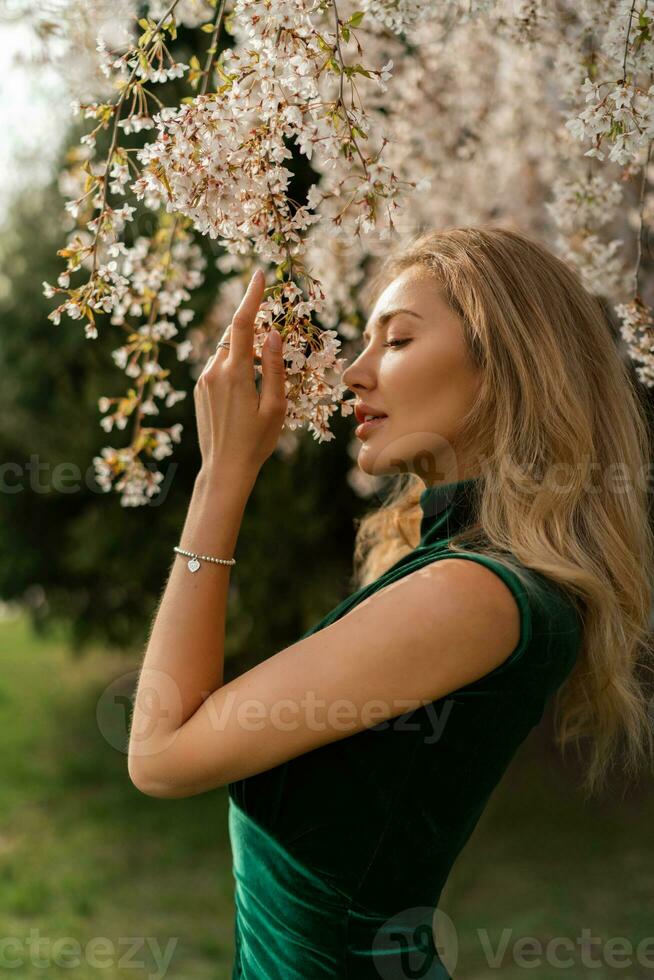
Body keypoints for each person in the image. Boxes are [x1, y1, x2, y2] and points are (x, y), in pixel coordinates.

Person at [129, 226, 654, 979]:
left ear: (507, 366)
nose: (352, 373)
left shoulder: (474, 592)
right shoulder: (467, 575)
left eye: (397, 341)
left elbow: (160, 753)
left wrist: (221, 478)